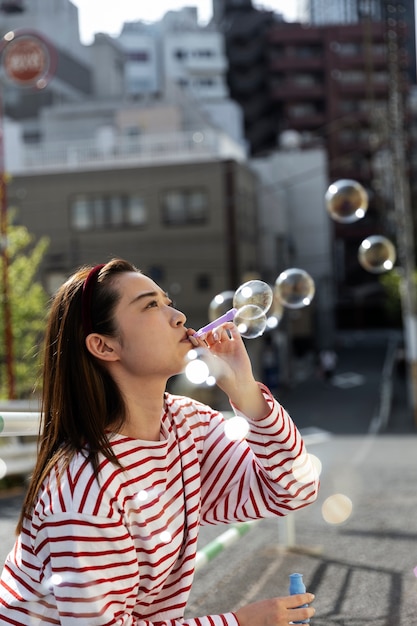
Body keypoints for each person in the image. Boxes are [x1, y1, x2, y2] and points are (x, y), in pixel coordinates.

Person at [0, 258, 318, 626]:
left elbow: (295, 489)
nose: (179, 316)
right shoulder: (84, 485)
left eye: (167, 301)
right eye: (151, 305)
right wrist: (240, 623)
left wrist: (246, 393)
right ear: (104, 346)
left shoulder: (187, 425)